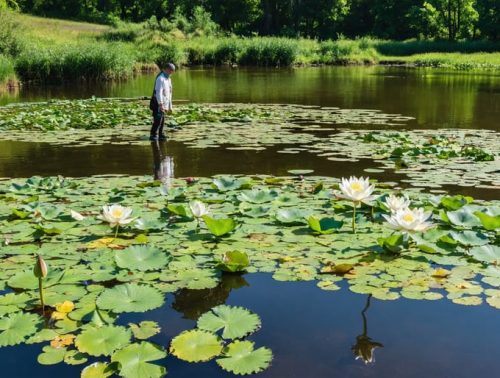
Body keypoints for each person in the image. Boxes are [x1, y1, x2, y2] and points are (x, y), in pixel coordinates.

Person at [150, 62, 176, 141]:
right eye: (171, 71)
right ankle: (153, 134)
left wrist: (169, 106)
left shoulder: (168, 79)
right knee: (158, 119)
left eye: (173, 71)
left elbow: (169, 93)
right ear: (167, 69)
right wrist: (161, 104)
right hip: (157, 103)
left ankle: (161, 134)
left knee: (162, 119)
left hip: (165, 103)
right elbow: (159, 92)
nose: (172, 73)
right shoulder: (160, 78)